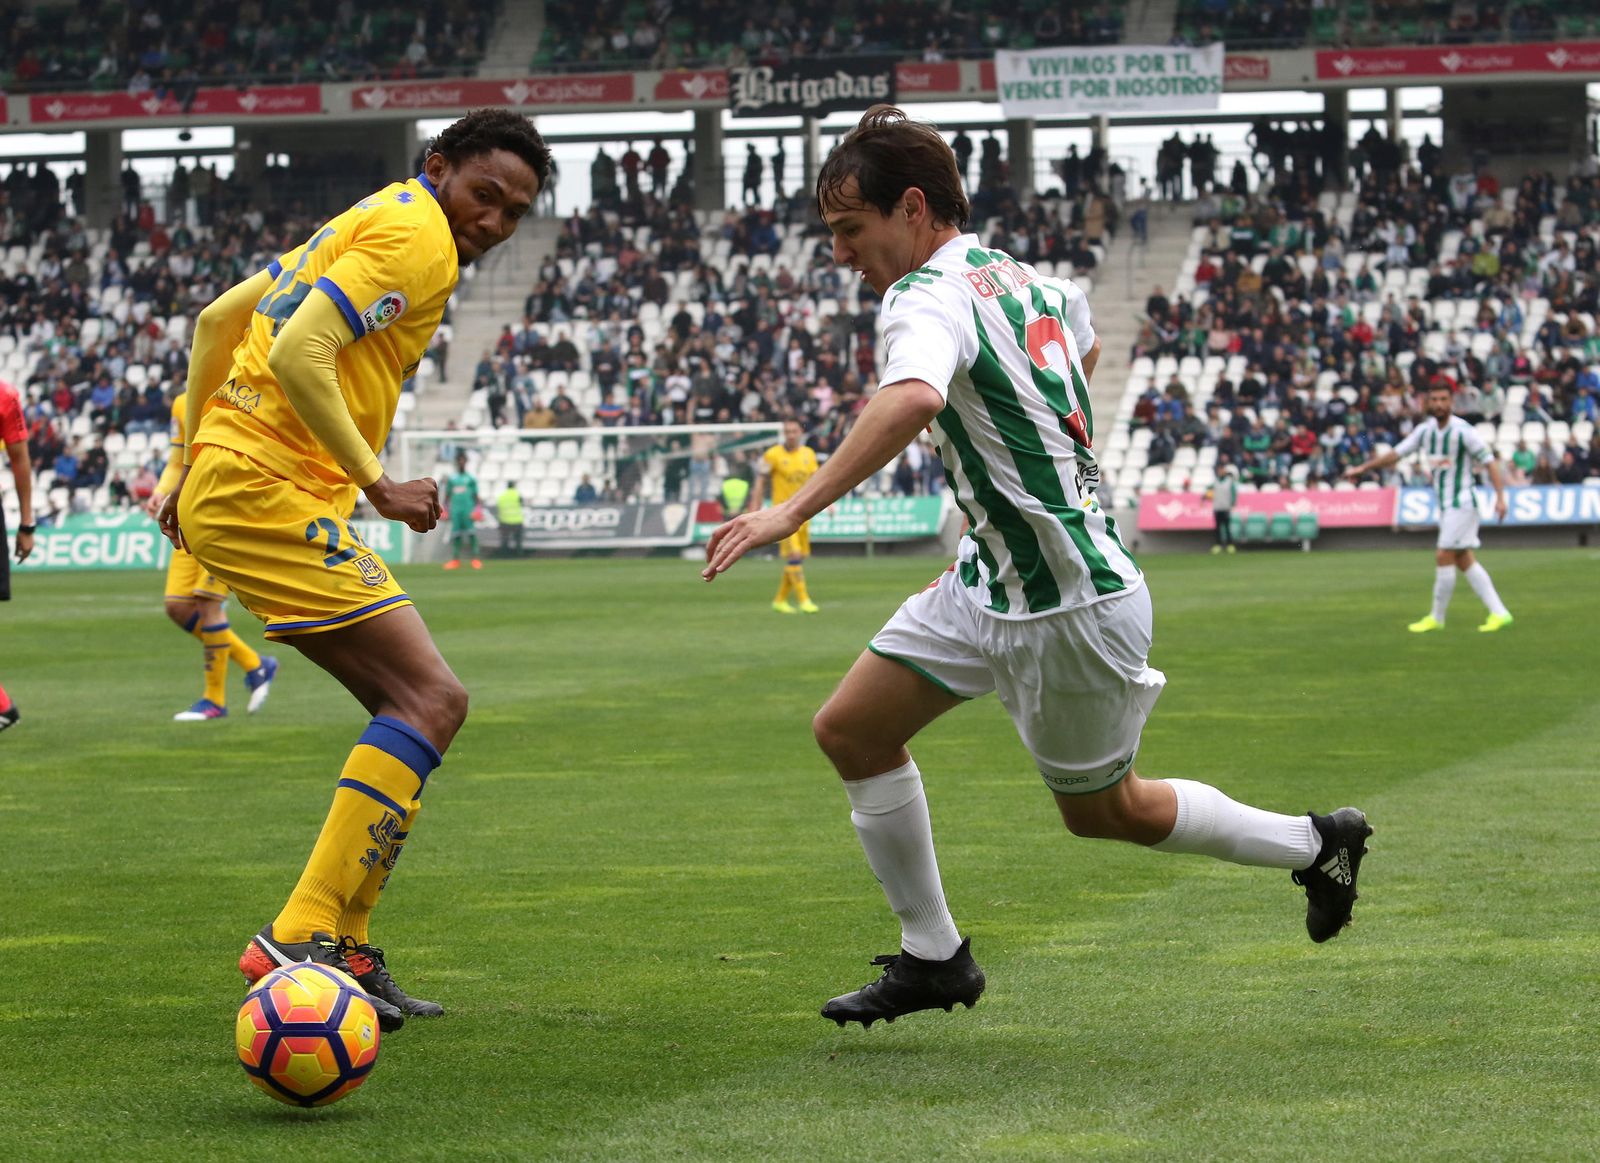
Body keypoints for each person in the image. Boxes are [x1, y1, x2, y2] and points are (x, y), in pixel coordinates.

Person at [702, 106, 1371, 1028]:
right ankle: (933, 954)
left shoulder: (922, 295)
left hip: (1065, 602)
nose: (843, 255)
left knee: (1108, 812)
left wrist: (791, 508)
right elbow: (1079, 353)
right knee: (852, 729)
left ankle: (1314, 840)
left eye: (850, 231)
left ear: (911, 207)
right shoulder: (1035, 281)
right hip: (990, 576)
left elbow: (912, 396)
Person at [158, 109, 550, 1029]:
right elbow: (298, 349)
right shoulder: (420, 240)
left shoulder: (374, 217)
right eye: (483, 194)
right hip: (270, 484)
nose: (492, 221)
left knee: (414, 707)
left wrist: (184, 460)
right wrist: (379, 484)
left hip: (242, 477)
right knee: (431, 698)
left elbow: (222, 318)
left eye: (513, 213)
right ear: (439, 166)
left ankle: (346, 942)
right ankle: (300, 935)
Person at [150, 388, 278, 720]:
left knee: (207, 602)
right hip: (188, 514)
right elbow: (178, 460)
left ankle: (214, 700)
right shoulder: (183, 402)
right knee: (177, 606)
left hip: (227, 512)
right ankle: (255, 664)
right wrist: (161, 490)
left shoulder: (246, 392)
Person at [1344, 382, 1513, 633]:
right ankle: (1500, 613)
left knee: (1443, 554)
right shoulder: (1425, 431)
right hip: (1445, 504)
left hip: (1462, 501)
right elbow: (1396, 454)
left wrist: (1500, 498)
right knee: (1464, 559)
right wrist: (1363, 468)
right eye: (1434, 400)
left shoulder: (1463, 431)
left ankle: (1437, 617)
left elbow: (1489, 462)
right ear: (1427, 402)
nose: (1438, 404)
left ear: (1451, 402)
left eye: (1443, 399)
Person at [748, 418, 821, 614]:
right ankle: (804, 600)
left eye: (794, 431)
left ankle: (779, 600)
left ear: (800, 432)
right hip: (784, 515)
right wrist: (755, 507)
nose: (790, 435)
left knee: (799, 557)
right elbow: (760, 481)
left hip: (806, 512)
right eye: (787, 431)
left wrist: (827, 503)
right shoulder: (772, 455)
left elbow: (816, 480)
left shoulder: (809, 454)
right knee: (795, 555)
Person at [1, 375, 35, 733]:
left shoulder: (4, 396)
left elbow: (19, 459)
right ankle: (4, 707)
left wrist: (27, 524)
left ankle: (4, 708)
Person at [442, 450, 482, 571]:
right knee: (456, 535)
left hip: (468, 510)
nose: (461, 463)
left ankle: (475, 559)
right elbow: (447, 496)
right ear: (457, 462)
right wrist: (444, 509)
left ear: (466, 462)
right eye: (459, 461)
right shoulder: (452, 479)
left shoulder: (470, 479)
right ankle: (455, 560)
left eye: (463, 461)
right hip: (456, 510)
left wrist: (478, 509)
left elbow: (476, 496)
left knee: (471, 534)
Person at [1207, 460, 1238, 554]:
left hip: (1226, 507)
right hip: (1217, 507)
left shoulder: (1229, 481)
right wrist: (1206, 496)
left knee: (1227, 528)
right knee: (1217, 528)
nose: (1220, 471)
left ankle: (1230, 545)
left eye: (1222, 470)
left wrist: (1232, 503)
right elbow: (1208, 490)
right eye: (1219, 470)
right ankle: (1218, 545)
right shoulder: (1215, 481)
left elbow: (1233, 493)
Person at [496, 480, 524, 556]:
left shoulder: (502, 496)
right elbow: (521, 503)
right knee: (518, 541)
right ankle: (519, 556)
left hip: (504, 521)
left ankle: (504, 556)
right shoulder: (517, 494)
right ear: (513, 486)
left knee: (505, 540)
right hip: (517, 520)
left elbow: (498, 507)